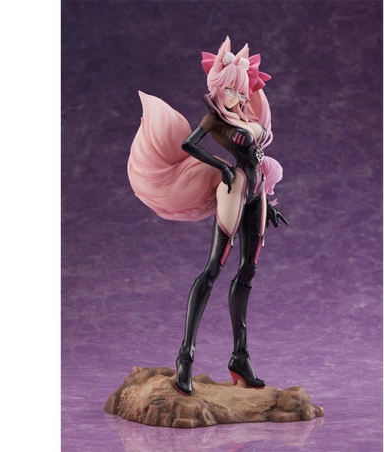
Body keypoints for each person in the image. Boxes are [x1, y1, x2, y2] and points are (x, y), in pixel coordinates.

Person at [127, 37, 288, 396]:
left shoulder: (245, 115)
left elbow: (259, 156)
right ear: (218, 87)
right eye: (231, 90)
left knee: (248, 271)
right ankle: (185, 357)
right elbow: (189, 144)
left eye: (241, 90)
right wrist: (222, 167)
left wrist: (269, 202)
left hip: (257, 193)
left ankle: (240, 358)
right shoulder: (215, 118)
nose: (238, 96)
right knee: (213, 269)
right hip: (235, 188)